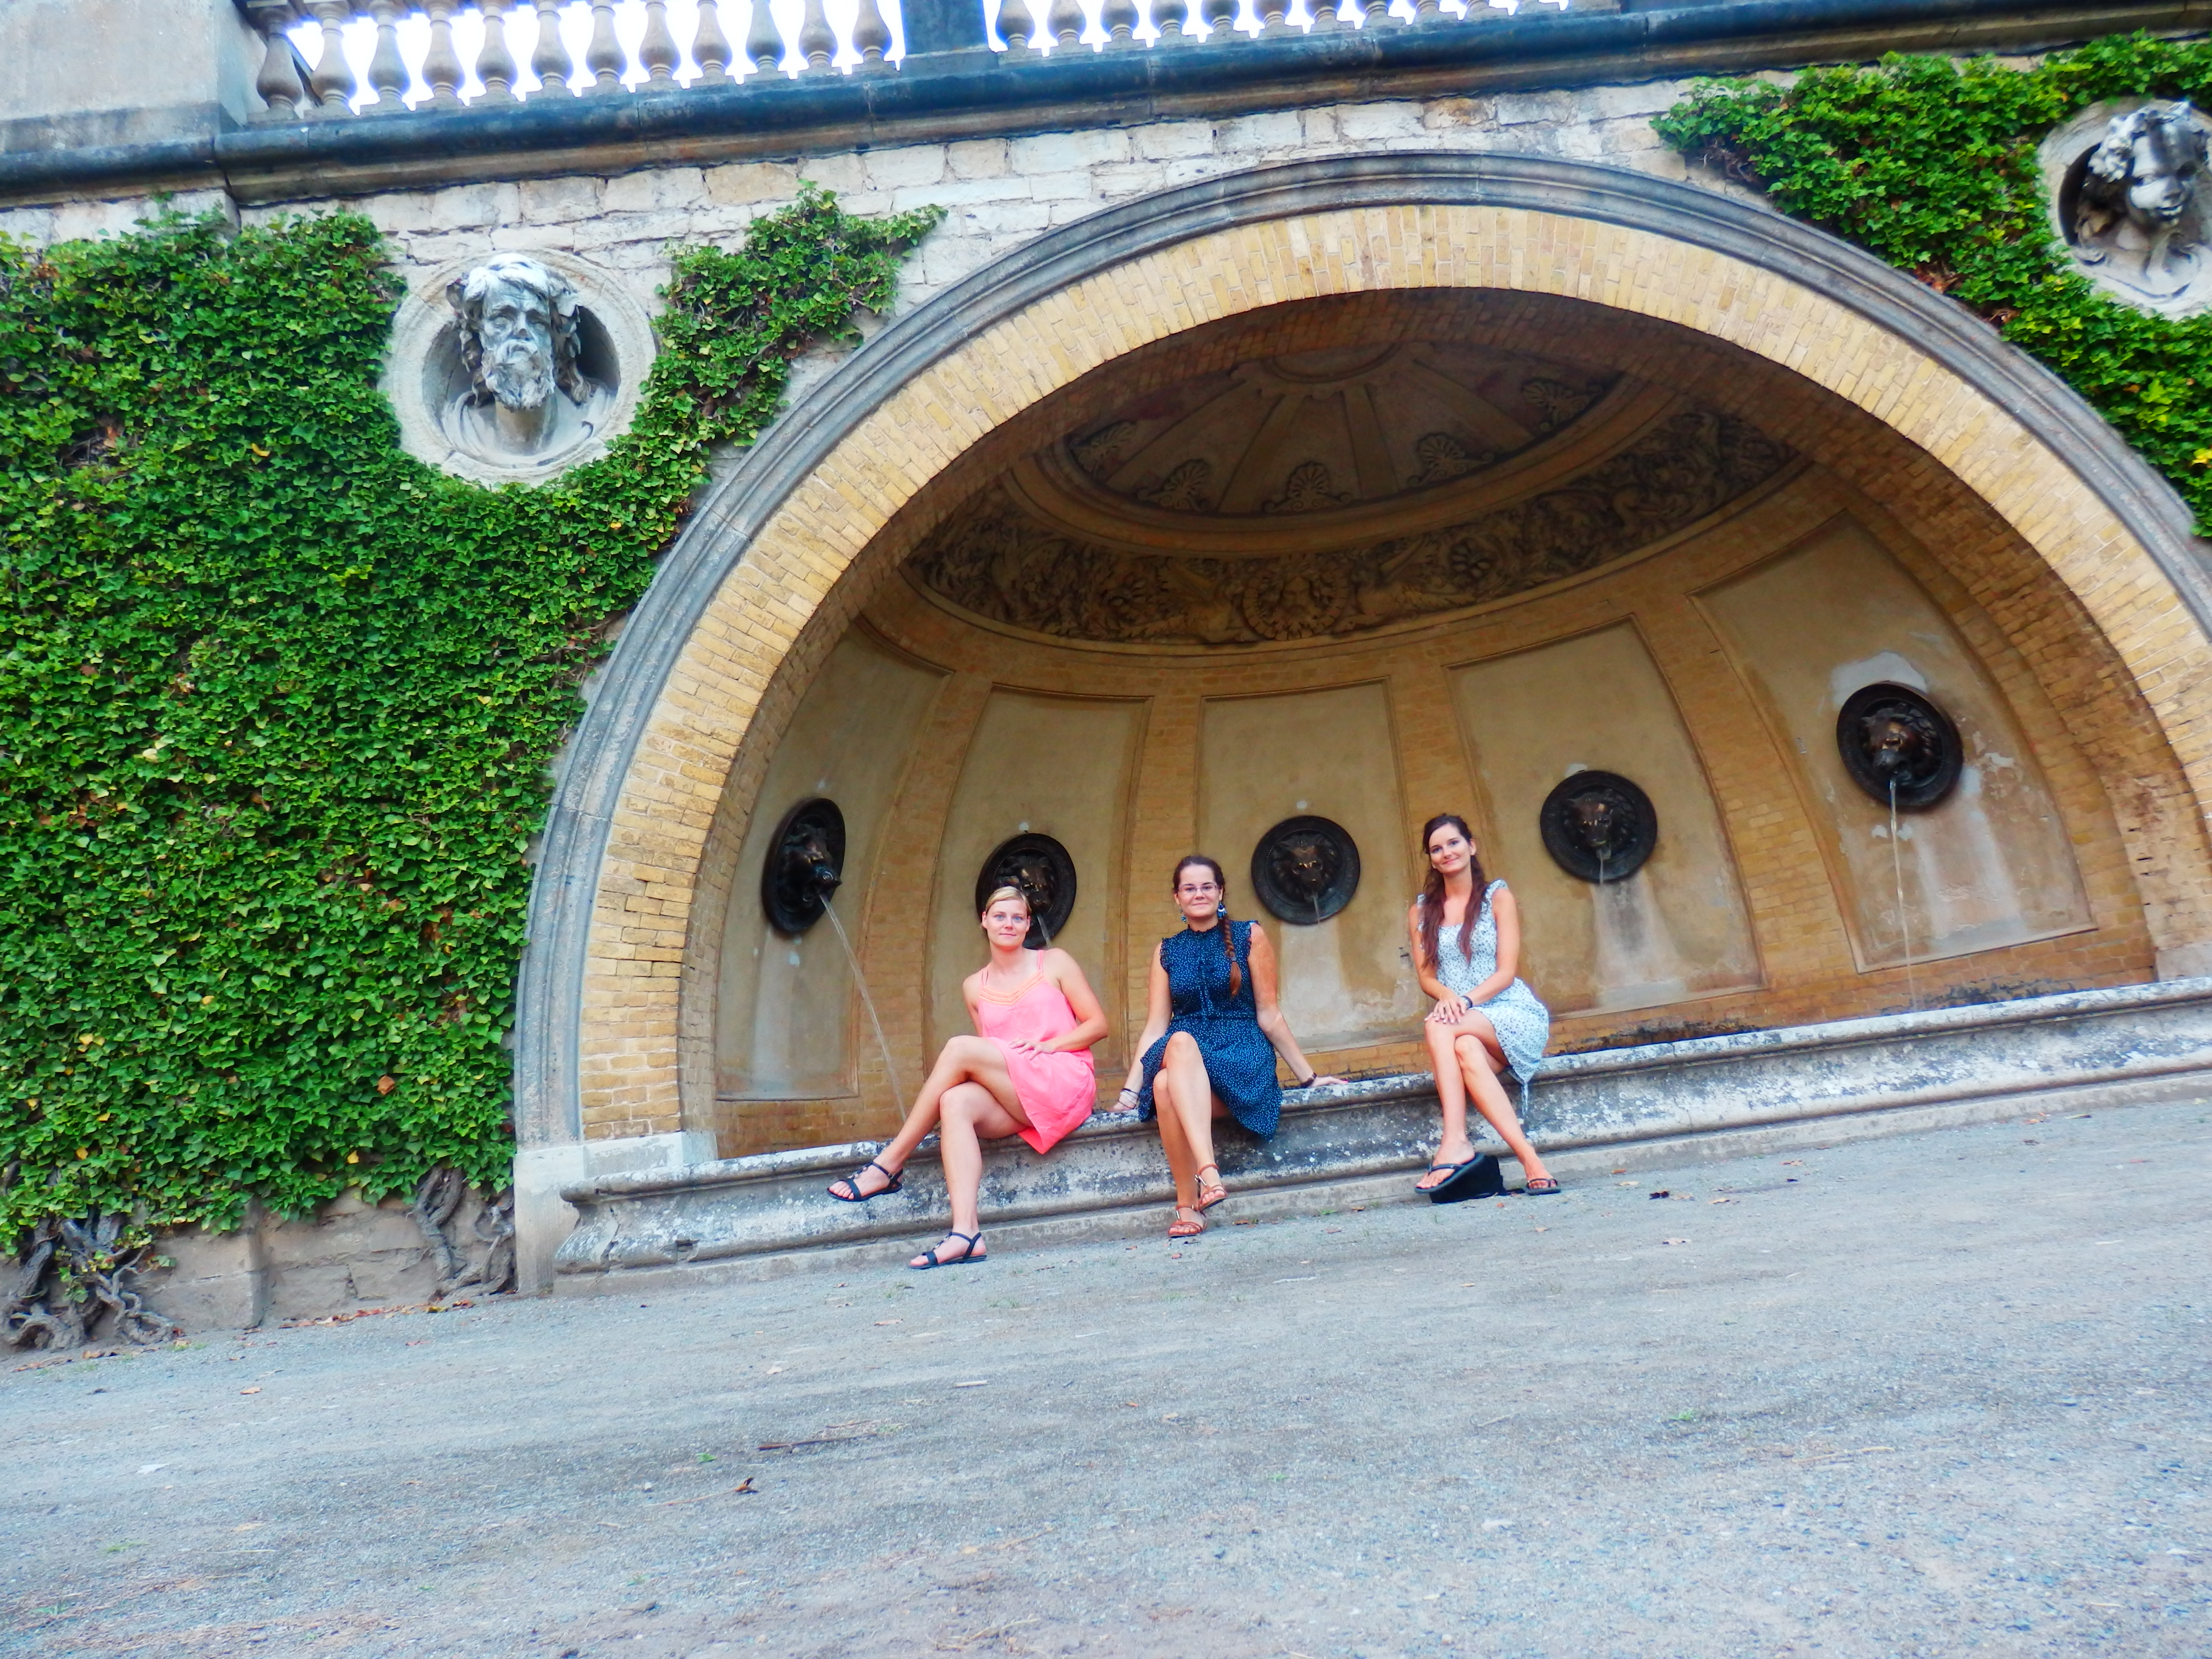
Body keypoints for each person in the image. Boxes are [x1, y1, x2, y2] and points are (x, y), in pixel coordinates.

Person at [826, 886, 1107, 1268]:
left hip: (1063, 1077)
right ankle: (966, 1233)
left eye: (1018, 918)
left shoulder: (1054, 962)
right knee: (954, 1101)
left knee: (960, 1048)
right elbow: (990, 1054)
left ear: (1028, 925)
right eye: (1000, 916)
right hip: (1019, 1088)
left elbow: (1098, 1024)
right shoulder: (975, 986)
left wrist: (1049, 1045)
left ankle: (889, 1163)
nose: (1009, 924)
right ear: (984, 921)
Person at [1118, 855, 1343, 1239]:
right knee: (1168, 1070)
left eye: (1207, 886)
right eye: (1189, 888)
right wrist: (1128, 1092)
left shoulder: (1248, 935)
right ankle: (1205, 1182)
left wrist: (1309, 1078)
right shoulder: (1166, 951)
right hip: (1186, 1057)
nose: (1199, 894)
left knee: (1169, 1075)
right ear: (1177, 897)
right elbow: (1155, 1026)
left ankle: (1194, 1193)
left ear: (1220, 892)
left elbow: (1269, 1014)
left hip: (1241, 1052)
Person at [1406, 814, 1559, 1196]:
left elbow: (1506, 972)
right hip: (1464, 1019)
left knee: (1437, 1025)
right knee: (1466, 1051)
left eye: (1453, 843)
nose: (1446, 853)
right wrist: (1448, 998)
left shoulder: (1497, 898)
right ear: (1431, 859)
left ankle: (1455, 1141)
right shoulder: (1421, 911)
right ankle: (1531, 1161)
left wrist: (1465, 1001)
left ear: (1471, 846)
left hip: (1509, 1010)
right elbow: (1426, 977)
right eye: (1436, 849)